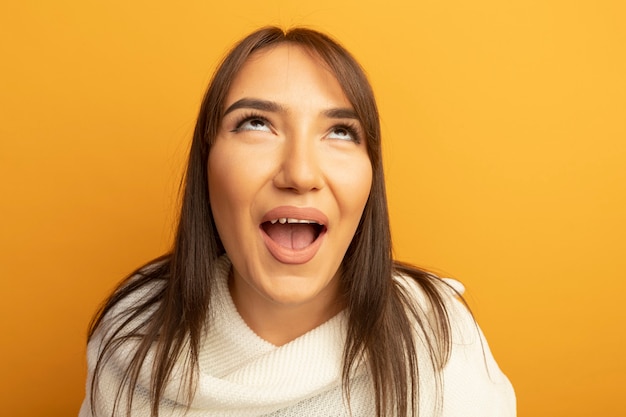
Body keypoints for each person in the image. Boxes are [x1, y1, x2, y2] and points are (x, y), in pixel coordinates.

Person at [79, 26, 516, 417]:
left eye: (341, 131)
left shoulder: (441, 343)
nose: (301, 174)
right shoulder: (133, 340)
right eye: (256, 123)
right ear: (206, 162)